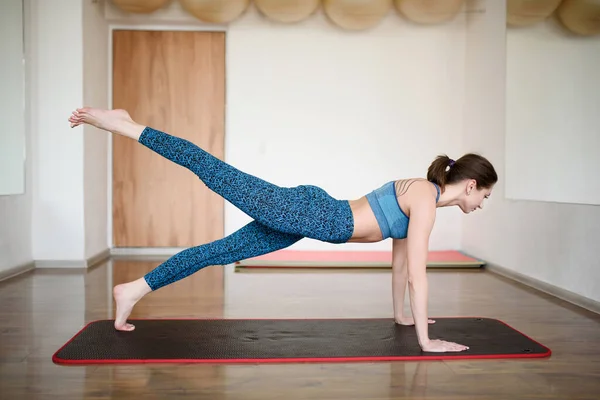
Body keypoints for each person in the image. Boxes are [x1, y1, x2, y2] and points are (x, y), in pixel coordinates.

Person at [68, 107, 497, 353]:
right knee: (210, 168)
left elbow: (401, 262)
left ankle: (134, 289)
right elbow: (419, 273)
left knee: (220, 251)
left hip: (303, 219)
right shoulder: (425, 196)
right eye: (485, 196)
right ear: (472, 185)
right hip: (305, 213)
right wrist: (426, 340)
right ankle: (122, 124)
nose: (481, 205)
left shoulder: (421, 195)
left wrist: (402, 317)